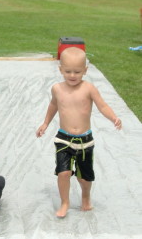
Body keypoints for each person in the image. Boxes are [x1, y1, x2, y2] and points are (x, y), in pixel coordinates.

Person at [36, 47, 122, 218]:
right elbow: (53, 105)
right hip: (64, 139)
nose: (72, 75)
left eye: (77, 71)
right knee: (64, 172)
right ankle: (65, 202)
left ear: (85, 70)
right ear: (60, 70)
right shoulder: (57, 89)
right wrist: (45, 123)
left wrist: (113, 118)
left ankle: (85, 196)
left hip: (85, 140)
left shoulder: (89, 88)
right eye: (68, 71)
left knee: (84, 177)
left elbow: (102, 105)